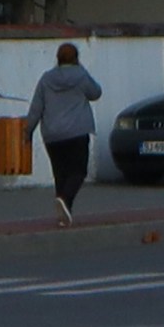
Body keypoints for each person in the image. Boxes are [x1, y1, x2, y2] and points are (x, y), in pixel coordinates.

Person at [27, 40, 104, 216]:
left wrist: (28, 131)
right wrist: (82, 69)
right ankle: (65, 200)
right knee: (78, 172)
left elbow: (36, 108)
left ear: (57, 59)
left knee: (60, 174)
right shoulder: (81, 76)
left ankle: (63, 213)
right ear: (76, 58)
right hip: (77, 131)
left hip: (52, 134)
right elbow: (96, 93)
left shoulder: (46, 79)